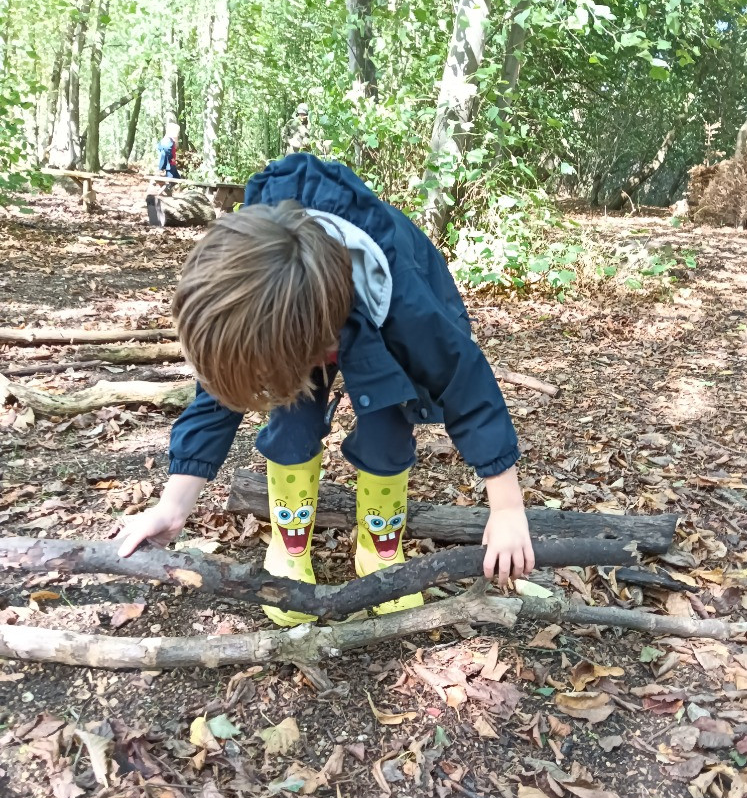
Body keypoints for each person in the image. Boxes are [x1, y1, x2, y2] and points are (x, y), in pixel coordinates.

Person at [117, 153, 535, 625]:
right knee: (292, 421)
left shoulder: (404, 303)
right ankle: (290, 545)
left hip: (377, 320)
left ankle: (379, 551)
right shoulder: (253, 284)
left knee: (387, 428)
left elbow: (464, 381)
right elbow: (217, 392)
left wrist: (507, 509)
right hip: (306, 318)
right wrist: (173, 506)